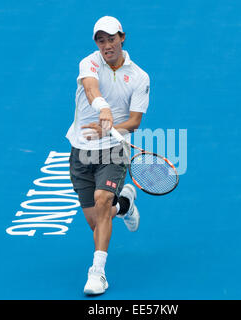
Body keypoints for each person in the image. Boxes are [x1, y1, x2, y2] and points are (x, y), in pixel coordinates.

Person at [66, 16, 150, 295]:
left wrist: (109, 129)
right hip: (81, 151)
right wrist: (102, 109)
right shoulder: (88, 62)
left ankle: (97, 274)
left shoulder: (139, 77)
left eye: (111, 38)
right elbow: (91, 88)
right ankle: (124, 205)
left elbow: (135, 121)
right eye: (101, 40)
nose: (106, 45)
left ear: (122, 37)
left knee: (103, 201)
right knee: (97, 220)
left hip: (113, 149)